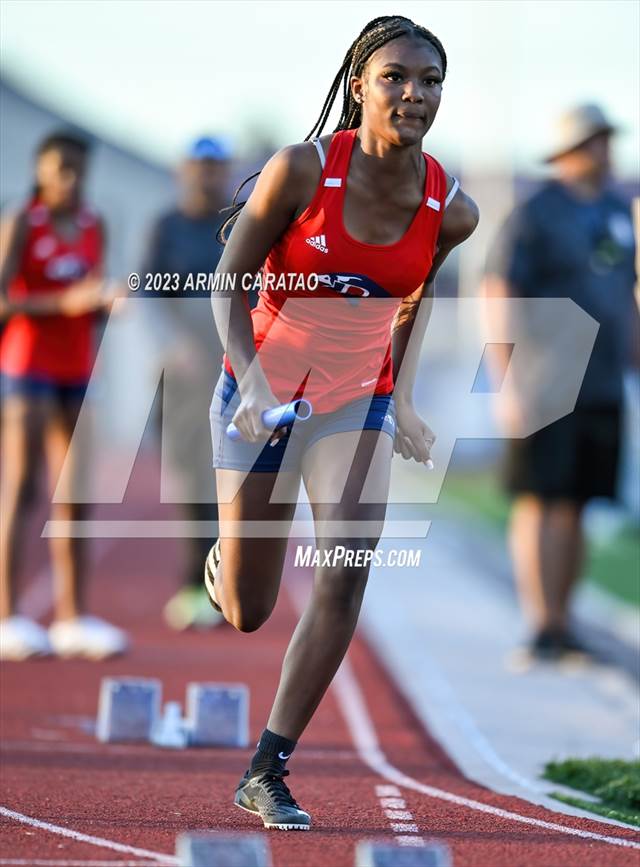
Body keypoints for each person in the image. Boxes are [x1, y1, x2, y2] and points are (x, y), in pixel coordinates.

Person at [205, 16, 478, 830]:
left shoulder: (449, 207)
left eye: (429, 81)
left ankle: (267, 767)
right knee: (250, 609)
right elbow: (228, 279)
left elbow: (413, 302)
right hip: (263, 388)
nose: (414, 94)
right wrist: (250, 380)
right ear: (359, 84)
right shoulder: (300, 170)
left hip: (358, 397)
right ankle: (229, 554)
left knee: (346, 569)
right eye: (396, 77)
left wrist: (410, 398)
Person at [483, 104, 638, 663]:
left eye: (605, 139)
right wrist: (507, 381)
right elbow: (499, 292)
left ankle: (564, 623)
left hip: (601, 383)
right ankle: (540, 624)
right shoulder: (538, 212)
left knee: (578, 502)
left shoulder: (619, 211)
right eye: (593, 139)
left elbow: (628, 298)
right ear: (568, 150)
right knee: (539, 500)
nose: (603, 149)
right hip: (546, 379)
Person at [0, 130, 128, 660]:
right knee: (24, 488)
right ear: (41, 169)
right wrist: (66, 302)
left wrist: (104, 303)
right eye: (61, 170)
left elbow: (89, 297)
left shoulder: (94, 223)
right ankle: (7, 615)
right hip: (27, 369)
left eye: (78, 170)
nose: (71, 180)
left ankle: (72, 618)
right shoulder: (21, 222)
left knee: (75, 495)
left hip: (77, 370)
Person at [140, 136, 232, 630]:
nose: (207, 175)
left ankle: (218, 588)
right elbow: (148, 294)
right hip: (179, 379)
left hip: (232, 375)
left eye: (216, 166)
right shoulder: (167, 228)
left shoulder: (238, 226)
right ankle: (193, 584)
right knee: (188, 480)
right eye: (199, 165)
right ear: (184, 170)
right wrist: (175, 344)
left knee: (228, 482)